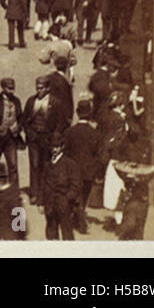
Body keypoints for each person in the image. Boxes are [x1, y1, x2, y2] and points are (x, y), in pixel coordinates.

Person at [64, 100, 101, 234]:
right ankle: (80, 216)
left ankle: (77, 217)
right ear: (90, 114)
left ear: (77, 113)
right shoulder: (95, 133)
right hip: (88, 171)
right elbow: (98, 155)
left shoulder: (69, 132)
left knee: (75, 195)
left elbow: (66, 152)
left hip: (73, 171)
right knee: (84, 196)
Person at [22, 76, 59, 204]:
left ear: (48, 88)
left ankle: (44, 195)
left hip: (47, 138)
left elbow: (60, 123)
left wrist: (55, 139)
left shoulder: (55, 102)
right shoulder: (31, 101)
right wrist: (28, 132)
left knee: (46, 165)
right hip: (33, 138)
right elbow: (24, 119)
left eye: (41, 88)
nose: (39, 90)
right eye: (37, 88)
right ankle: (34, 193)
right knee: (34, 164)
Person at [41, 136, 81, 240]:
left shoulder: (70, 164)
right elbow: (43, 184)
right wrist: (41, 203)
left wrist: (66, 199)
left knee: (67, 233)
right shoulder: (47, 164)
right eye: (52, 147)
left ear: (62, 147)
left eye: (57, 147)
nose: (54, 149)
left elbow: (76, 186)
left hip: (63, 204)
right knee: (51, 232)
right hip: (49, 203)